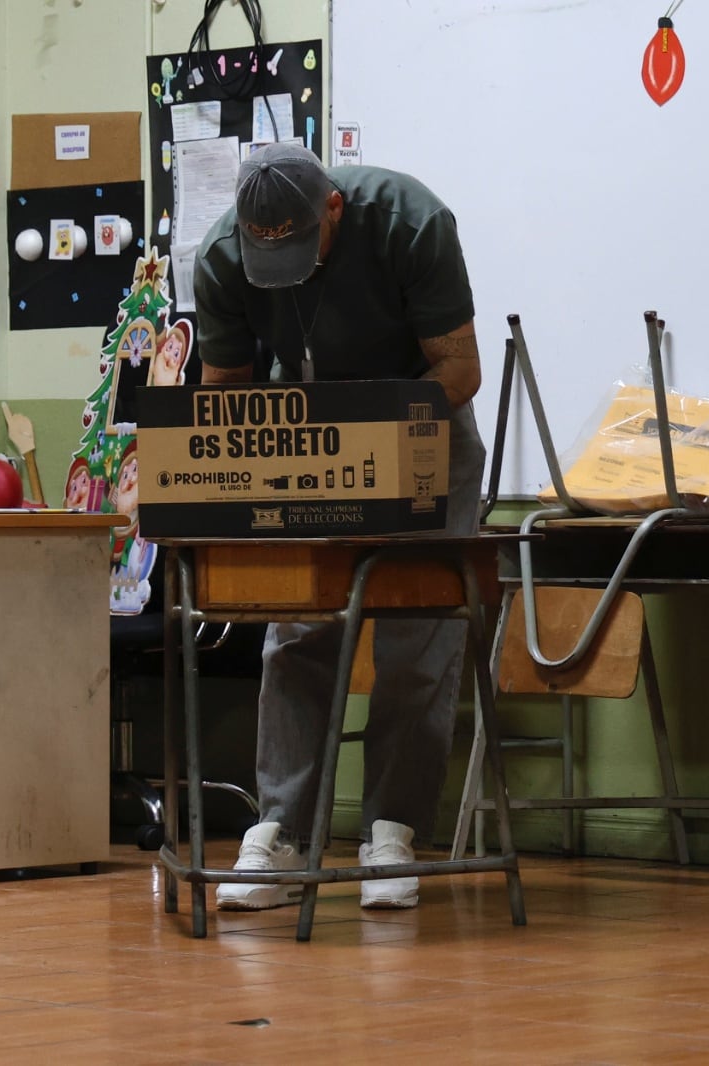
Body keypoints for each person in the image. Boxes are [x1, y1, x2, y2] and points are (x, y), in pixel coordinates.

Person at [192, 142, 486, 911]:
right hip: (307, 437)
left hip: (424, 428)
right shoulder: (222, 255)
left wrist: (370, 429)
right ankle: (283, 834)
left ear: (334, 209)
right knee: (295, 630)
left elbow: (459, 370)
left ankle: (392, 832)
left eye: (300, 249)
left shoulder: (410, 221)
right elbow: (225, 389)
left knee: (416, 638)